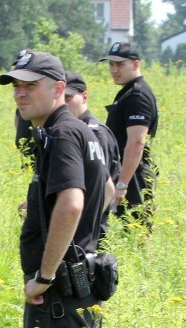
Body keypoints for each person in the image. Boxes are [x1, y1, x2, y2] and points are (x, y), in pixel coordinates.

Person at [0, 52, 113, 328]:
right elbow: (103, 188)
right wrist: (84, 239)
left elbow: (73, 203)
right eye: (16, 86)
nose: (20, 93)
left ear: (58, 88)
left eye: (31, 86)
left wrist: (46, 275)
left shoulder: (61, 134)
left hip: (58, 292)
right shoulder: (79, 130)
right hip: (80, 283)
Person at [100, 42, 159, 225]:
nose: (114, 70)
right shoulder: (128, 92)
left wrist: (122, 185)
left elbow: (136, 142)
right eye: (111, 64)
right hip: (126, 172)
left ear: (135, 64)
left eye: (120, 65)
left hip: (133, 176)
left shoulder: (137, 96)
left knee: (137, 233)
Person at [64, 71, 121, 238]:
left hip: (89, 229)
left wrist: (85, 222)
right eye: (60, 99)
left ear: (84, 97)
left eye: (68, 98)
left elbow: (104, 188)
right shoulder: (70, 131)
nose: (64, 104)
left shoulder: (94, 134)